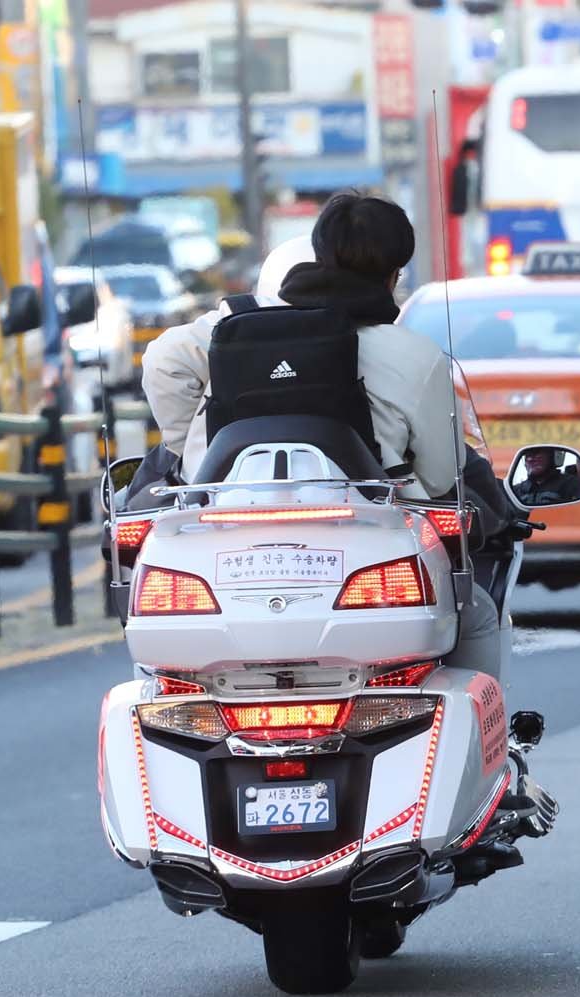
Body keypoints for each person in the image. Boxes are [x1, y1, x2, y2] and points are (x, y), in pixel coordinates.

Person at [140, 193, 504, 684]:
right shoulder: (416, 357)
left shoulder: (238, 332)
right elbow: (441, 478)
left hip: (230, 551)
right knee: (475, 613)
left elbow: (163, 362)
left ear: (317, 251)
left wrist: (197, 463)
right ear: (396, 273)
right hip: (365, 556)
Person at [510, 448, 580, 506]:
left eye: (536, 453)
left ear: (552, 456)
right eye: (527, 455)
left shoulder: (573, 484)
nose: (530, 459)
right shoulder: (515, 490)